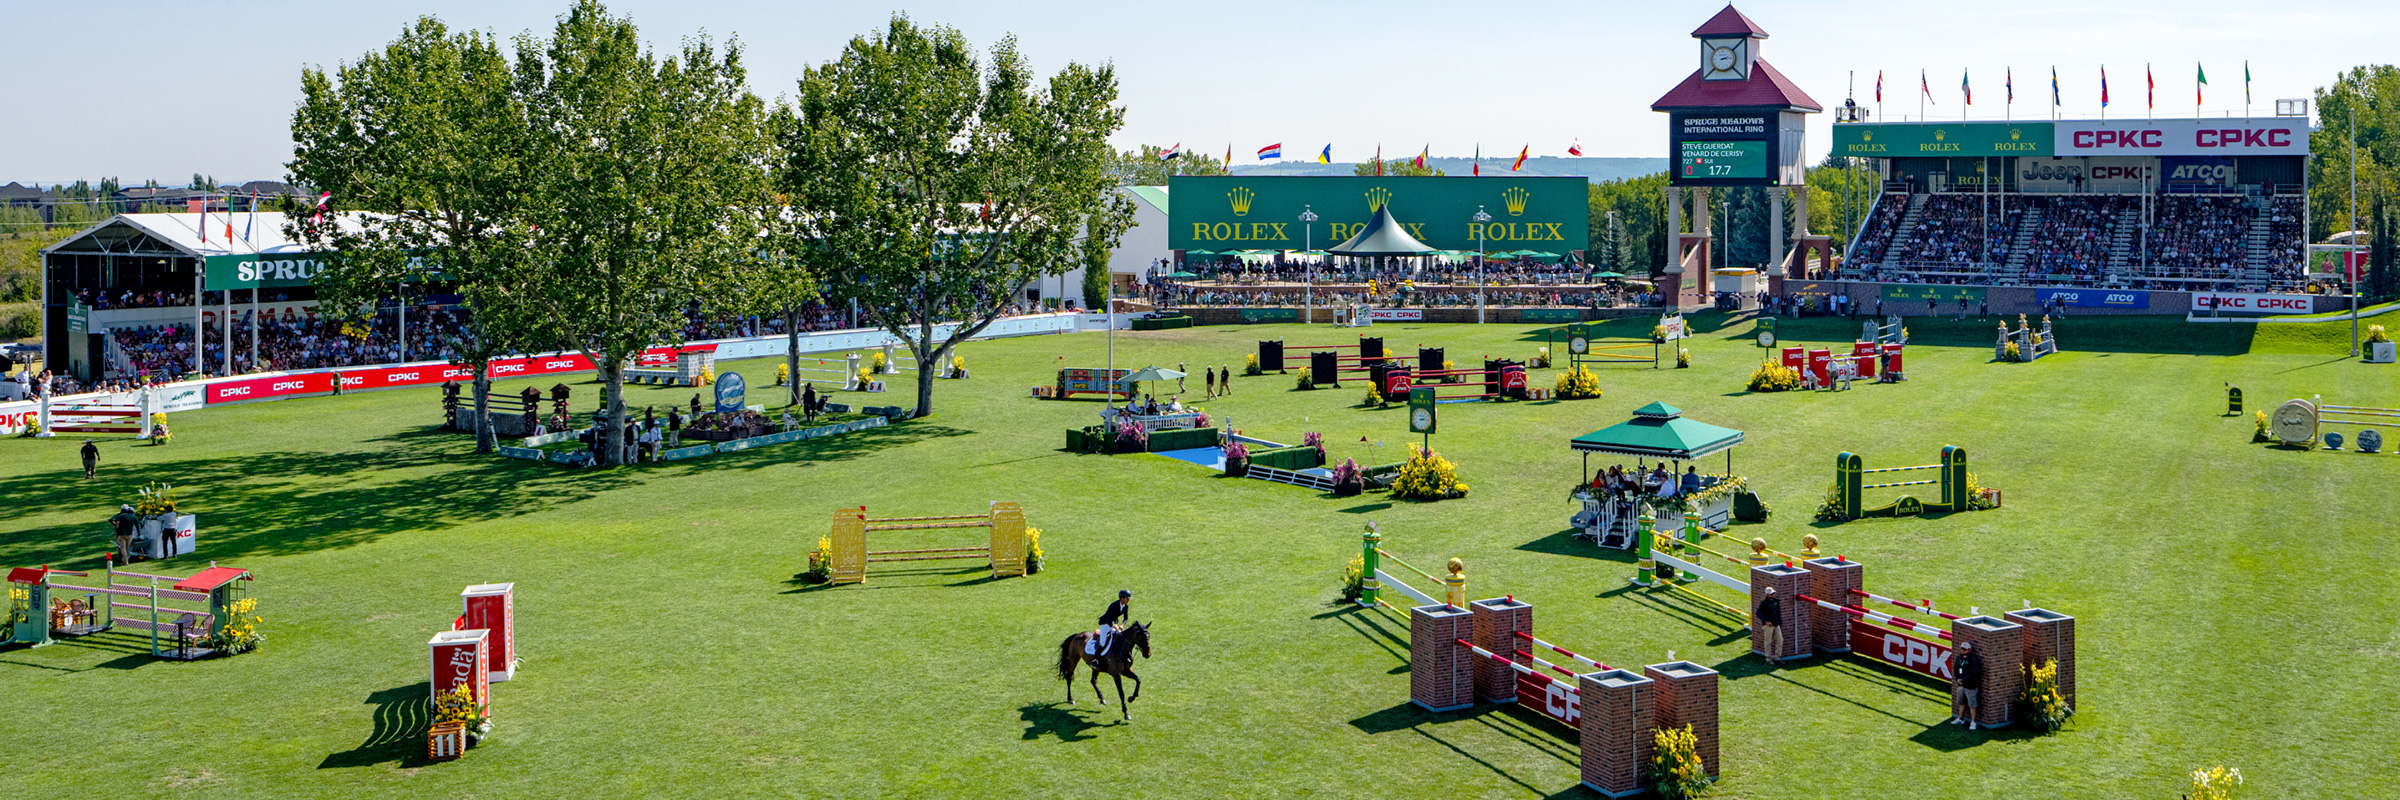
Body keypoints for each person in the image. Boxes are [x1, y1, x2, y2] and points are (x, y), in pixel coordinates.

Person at [1952, 640, 1983, 729]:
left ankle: (1973, 722)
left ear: (1969, 650)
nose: (1962, 651)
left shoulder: (1973, 660)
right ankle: (1960, 718)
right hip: (1961, 685)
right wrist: (1957, 678)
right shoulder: (1959, 658)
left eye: (1964, 649)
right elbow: (1956, 668)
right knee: (1961, 702)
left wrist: (1963, 680)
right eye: (1961, 649)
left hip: (1970, 686)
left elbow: (1973, 673)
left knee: (1972, 705)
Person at [1090, 589, 1133, 655]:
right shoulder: (1114, 605)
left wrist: (1122, 625)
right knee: (1103, 642)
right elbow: (1108, 618)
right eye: (1127, 598)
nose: (1128, 600)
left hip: (1113, 624)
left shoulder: (1126, 606)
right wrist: (1114, 625)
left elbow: (1126, 619)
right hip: (1105, 624)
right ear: (1122, 598)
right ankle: (1095, 659)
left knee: (1119, 638)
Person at [1753, 586, 1784, 664]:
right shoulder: (1763, 603)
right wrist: (1765, 621)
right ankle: (1768, 659)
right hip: (1768, 625)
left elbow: (1778, 612)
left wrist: (1780, 622)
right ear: (1767, 595)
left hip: (1776, 624)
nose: (1773, 595)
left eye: (1773, 593)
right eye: (1771, 594)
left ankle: (1777, 658)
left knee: (1780, 640)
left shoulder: (1776, 602)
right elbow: (1758, 613)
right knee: (1768, 642)